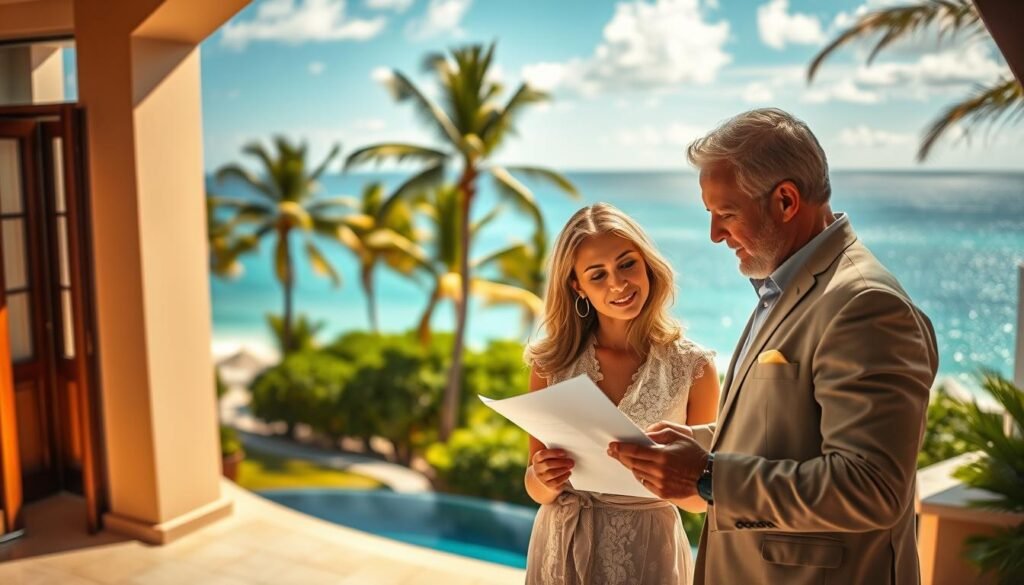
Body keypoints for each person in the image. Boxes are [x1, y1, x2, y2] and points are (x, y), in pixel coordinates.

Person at [608, 108, 938, 585]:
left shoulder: (865, 304)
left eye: (726, 214)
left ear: (785, 200)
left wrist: (707, 476)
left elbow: (872, 486)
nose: (715, 235)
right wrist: (695, 446)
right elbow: (786, 432)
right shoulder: (786, 286)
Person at [523, 203, 720, 584]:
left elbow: (699, 501)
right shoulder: (551, 364)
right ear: (577, 286)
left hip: (647, 552)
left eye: (627, 264)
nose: (618, 283)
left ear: (646, 263)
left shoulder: (695, 369)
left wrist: (661, 474)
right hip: (560, 545)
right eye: (598, 275)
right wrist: (543, 477)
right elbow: (535, 487)